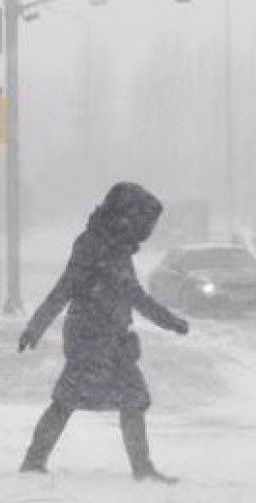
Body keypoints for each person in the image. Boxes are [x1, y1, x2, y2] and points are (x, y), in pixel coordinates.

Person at [16, 182, 190, 483]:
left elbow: (132, 294)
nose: (147, 230)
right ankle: (34, 461)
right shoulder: (92, 244)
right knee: (67, 399)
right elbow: (65, 287)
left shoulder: (118, 248)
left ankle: (142, 468)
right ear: (126, 216)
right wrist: (36, 326)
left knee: (132, 399)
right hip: (89, 338)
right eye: (145, 222)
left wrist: (169, 321)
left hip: (115, 338)